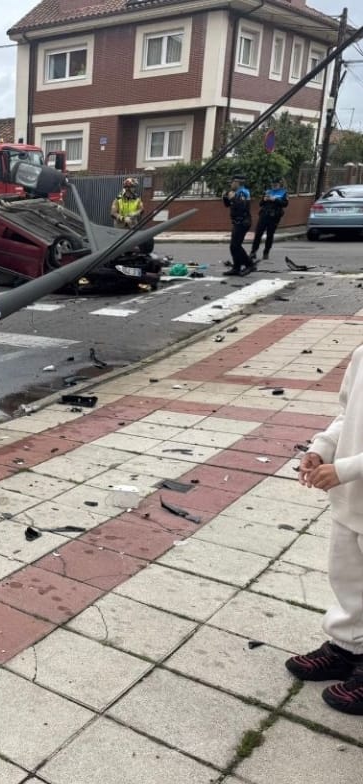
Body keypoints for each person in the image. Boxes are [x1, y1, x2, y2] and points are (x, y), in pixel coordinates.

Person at [288, 344, 363, 714]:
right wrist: (322, 449)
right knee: (347, 577)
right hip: (351, 499)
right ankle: (347, 647)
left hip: (350, 479)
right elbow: (346, 414)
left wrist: (344, 469)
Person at [251, 176, 289, 263]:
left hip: (274, 217)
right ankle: (253, 251)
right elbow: (261, 204)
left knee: (269, 235)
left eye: (275, 184)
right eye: (273, 184)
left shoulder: (283, 193)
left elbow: (285, 204)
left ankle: (266, 252)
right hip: (264, 215)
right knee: (258, 234)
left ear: (279, 184)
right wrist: (264, 200)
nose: (274, 186)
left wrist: (275, 199)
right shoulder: (268, 191)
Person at [222, 174, 252, 276]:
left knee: (236, 246)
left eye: (232, 182)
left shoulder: (243, 192)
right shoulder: (236, 192)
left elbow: (242, 207)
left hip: (243, 222)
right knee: (233, 246)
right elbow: (227, 205)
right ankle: (236, 267)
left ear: (237, 183)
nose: (230, 184)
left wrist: (234, 198)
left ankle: (249, 264)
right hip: (237, 222)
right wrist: (225, 198)